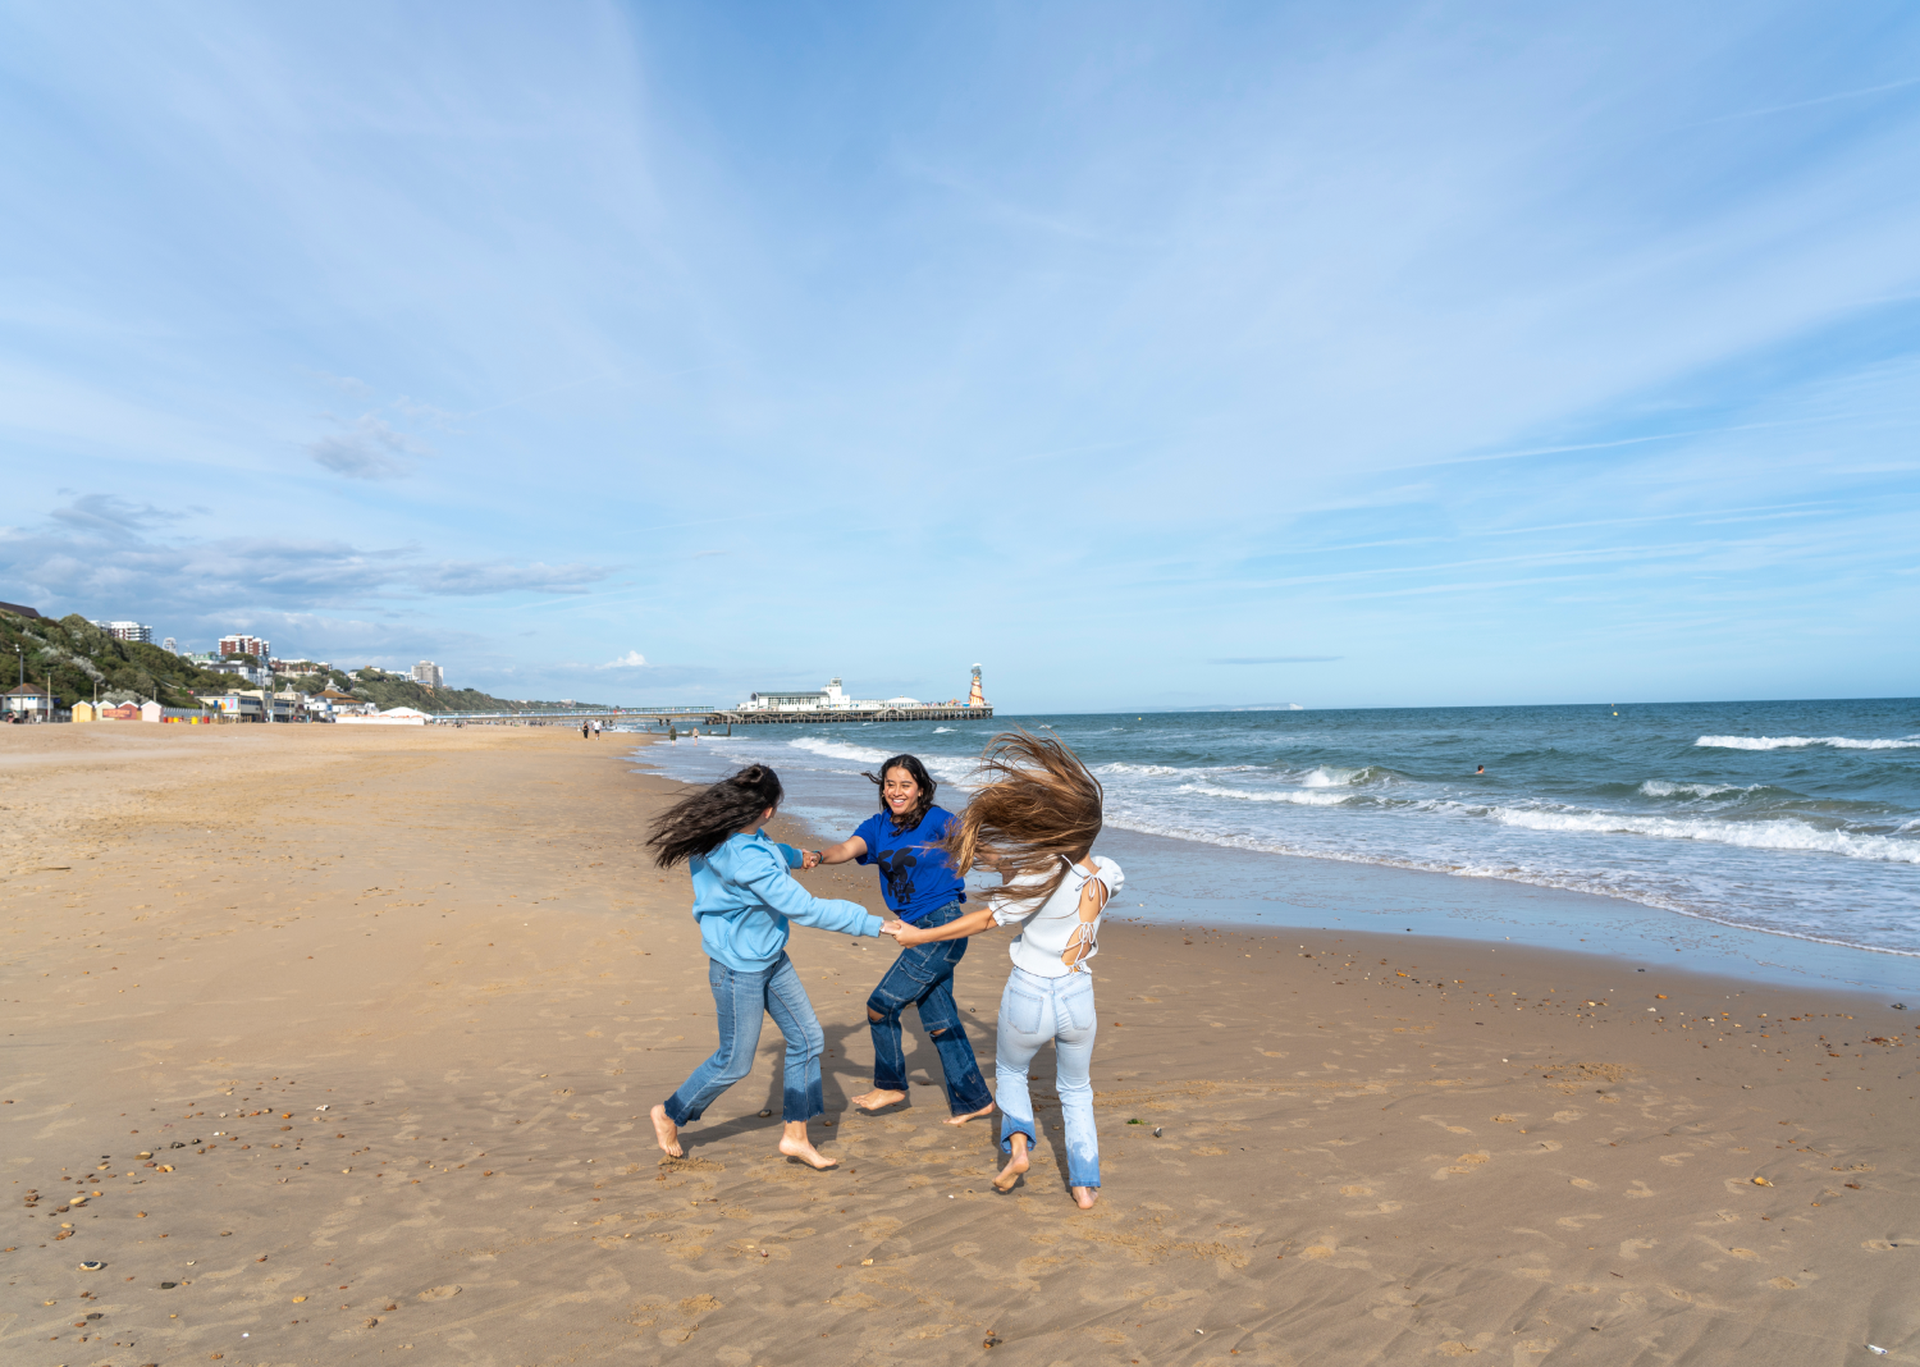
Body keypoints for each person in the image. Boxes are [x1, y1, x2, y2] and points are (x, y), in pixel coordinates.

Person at [884, 732, 1120, 1208]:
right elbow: (1074, 877)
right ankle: (1084, 1186)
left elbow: (985, 919)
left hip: (1030, 994)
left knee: (1012, 1072)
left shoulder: (1039, 877)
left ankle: (1017, 1150)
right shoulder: (1110, 873)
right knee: (1077, 1091)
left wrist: (918, 935)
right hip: (1079, 998)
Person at [646, 764, 884, 1170]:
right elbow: (804, 908)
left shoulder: (735, 833)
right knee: (734, 1062)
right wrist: (877, 924)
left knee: (808, 1039)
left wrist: (798, 856)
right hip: (738, 968)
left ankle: (796, 1137)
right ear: (769, 810)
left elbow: (767, 849)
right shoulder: (746, 858)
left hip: (769, 956)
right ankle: (670, 1113)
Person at [811, 754, 994, 1124]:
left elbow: (978, 847)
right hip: (913, 928)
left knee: (880, 1006)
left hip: (940, 927)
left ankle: (891, 1085)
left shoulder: (938, 819)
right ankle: (976, 1100)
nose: (896, 792)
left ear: (920, 790)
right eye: (890, 784)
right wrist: (815, 856)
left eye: (905, 785)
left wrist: (1014, 871)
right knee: (941, 1021)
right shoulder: (877, 827)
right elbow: (846, 849)